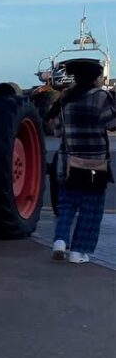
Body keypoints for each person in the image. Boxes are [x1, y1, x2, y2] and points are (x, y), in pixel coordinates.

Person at [49, 60, 116, 264]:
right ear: (95, 78)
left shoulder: (66, 99)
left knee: (67, 204)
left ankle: (60, 241)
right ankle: (78, 251)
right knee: (91, 206)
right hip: (94, 163)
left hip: (68, 162)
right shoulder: (100, 97)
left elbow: (58, 130)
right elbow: (112, 124)